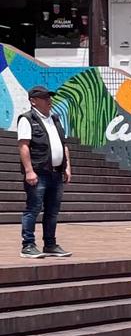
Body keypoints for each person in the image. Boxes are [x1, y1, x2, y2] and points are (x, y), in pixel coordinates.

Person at [18, 86, 72, 259]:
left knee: (52, 211)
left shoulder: (55, 119)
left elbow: (63, 145)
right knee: (33, 208)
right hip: (38, 173)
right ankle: (28, 245)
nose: (49, 101)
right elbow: (24, 146)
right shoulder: (27, 119)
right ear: (33, 101)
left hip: (55, 173)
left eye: (49, 97)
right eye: (44, 98)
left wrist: (67, 166)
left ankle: (50, 244)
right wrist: (29, 171)